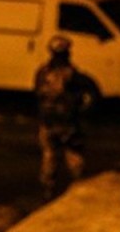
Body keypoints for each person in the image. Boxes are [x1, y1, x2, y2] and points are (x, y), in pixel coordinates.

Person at [34, 35, 91, 200]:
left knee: (49, 157)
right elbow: (80, 97)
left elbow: (37, 94)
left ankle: (48, 190)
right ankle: (77, 190)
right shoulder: (71, 73)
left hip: (48, 122)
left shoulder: (42, 72)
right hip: (67, 123)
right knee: (74, 158)